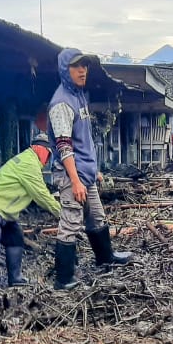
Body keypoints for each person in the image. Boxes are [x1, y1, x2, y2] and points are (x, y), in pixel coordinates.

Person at [48, 48, 134, 290]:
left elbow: (83, 138)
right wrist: (75, 180)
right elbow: (64, 145)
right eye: (76, 66)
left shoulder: (79, 95)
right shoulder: (61, 103)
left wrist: (93, 169)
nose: (82, 70)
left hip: (86, 172)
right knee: (71, 223)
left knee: (97, 217)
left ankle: (105, 257)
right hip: (70, 175)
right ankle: (63, 278)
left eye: (84, 66)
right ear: (65, 70)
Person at [0, 134, 61, 288]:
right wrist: (62, 214)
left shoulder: (30, 161)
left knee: (15, 238)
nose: (48, 159)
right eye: (49, 153)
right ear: (40, 149)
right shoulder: (29, 164)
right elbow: (41, 195)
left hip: (5, 209)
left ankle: (15, 278)